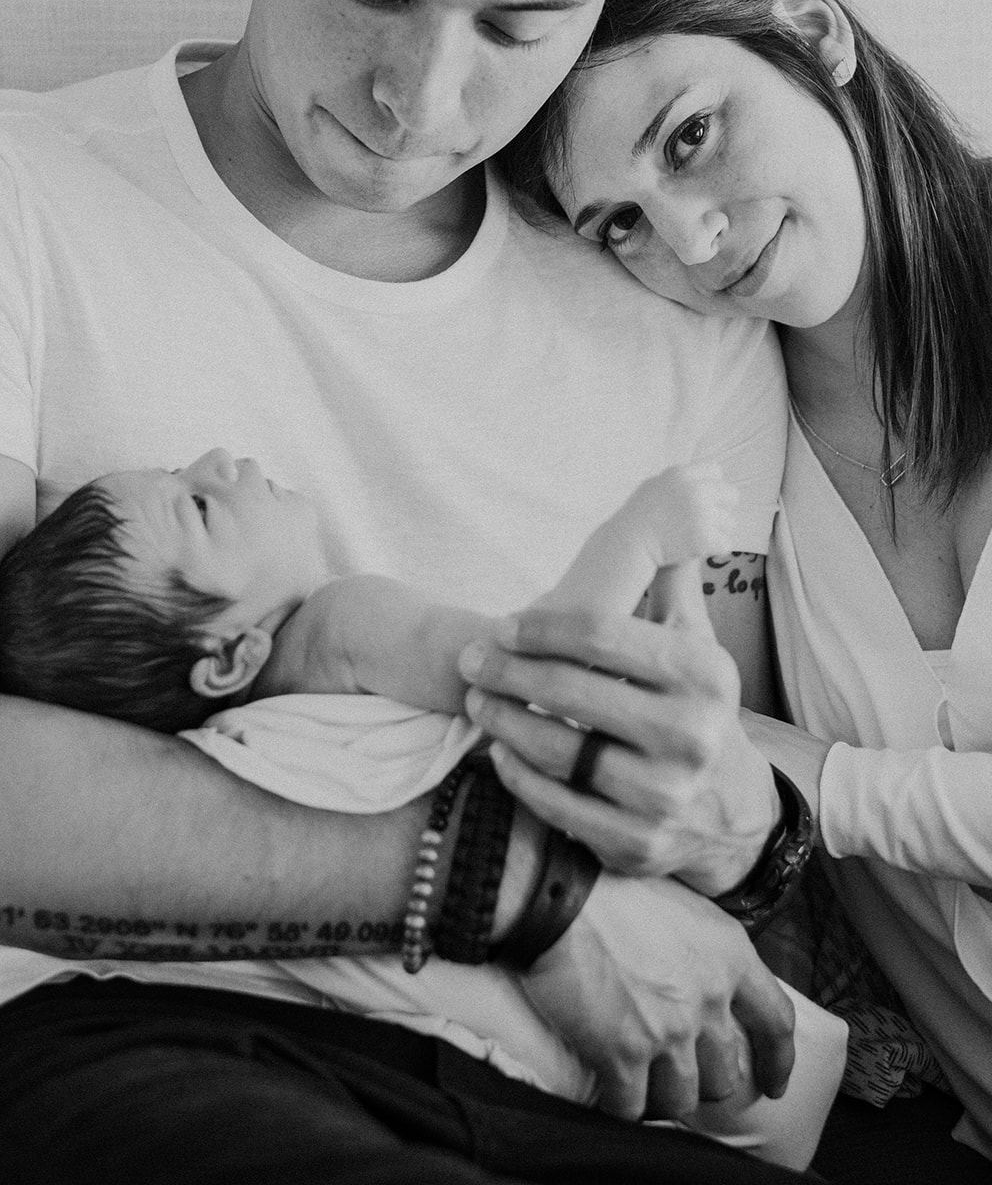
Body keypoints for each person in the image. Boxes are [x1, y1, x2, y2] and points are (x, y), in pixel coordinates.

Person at [0, 0, 813, 1181]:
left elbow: (737, 799)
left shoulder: (675, 303)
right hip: (144, 1041)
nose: (417, 101)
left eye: (521, 23)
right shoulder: (24, 197)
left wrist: (729, 829)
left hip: (561, 1089)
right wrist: (502, 888)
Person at [490, 0, 992, 1182]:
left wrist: (820, 786)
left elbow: (774, 787)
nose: (687, 242)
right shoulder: (722, 432)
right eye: (618, 223)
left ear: (809, 30)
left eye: (689, 136)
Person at [0, 450, 847, 1172]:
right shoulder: (343, 624)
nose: (218, 459)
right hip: (669, 1015)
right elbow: (533, 681)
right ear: (229, 658)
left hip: (463, 1045)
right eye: (197, 503)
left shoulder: (229, 757)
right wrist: (644, 542)